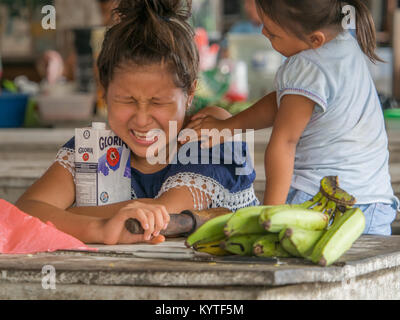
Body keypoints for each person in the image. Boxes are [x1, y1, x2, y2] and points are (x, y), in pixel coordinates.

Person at [16, 0, 259, 246]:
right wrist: (99, 229)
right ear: (104, 89)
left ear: (190, 93)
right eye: (126, 100)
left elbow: (158, 215)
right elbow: (23, 214)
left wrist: (66, 217)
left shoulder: (212, 129)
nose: (142, 119)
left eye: (158, 102)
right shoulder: (96, 147)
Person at [185, 0, 399, 236]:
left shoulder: (307, 65)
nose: (264, 32)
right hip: (374, 204)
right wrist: (229, 126)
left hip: (321, 204)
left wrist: (268, 217)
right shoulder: (343, 42)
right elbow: (283, 104)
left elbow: (284, 143)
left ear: (314, 39)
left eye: (274, 33)